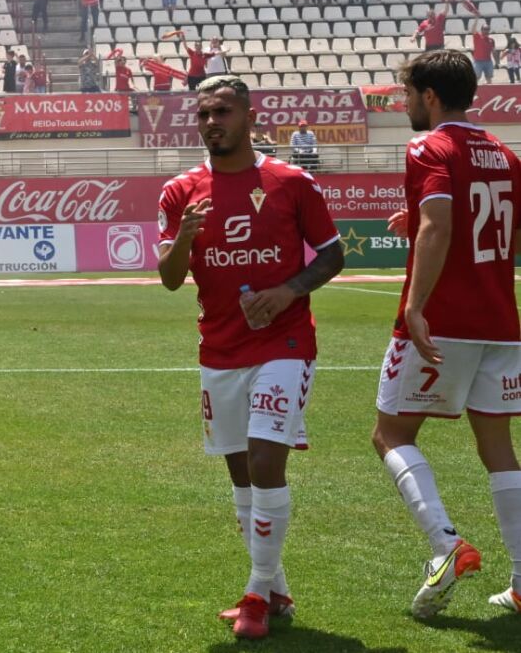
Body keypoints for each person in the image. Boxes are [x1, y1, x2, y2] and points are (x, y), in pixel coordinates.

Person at [157, 75, 345, 640]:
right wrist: (186, 240)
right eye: (204, 114)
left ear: (249, 116)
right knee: (241, 476)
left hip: (284, 342)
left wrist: (288, 291)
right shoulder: (180, 191)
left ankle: (255, 595)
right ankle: (276, 585)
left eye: (223, 112)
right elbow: (169, 279)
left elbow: (332, 255)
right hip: (219, 348)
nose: (212, 122)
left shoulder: (291, 182)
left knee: (266, 462)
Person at [372, 50, 521, 618]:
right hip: (501, 322)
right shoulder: (505, 153)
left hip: (445, 321)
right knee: (499, 448)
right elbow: (495, 224)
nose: (405, 103)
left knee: (390, 435)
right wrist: (426, 219)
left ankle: (445, 543)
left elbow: (439, 222)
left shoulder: (427, 146)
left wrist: (416, 306)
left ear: (430, 96)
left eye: (408, 93)